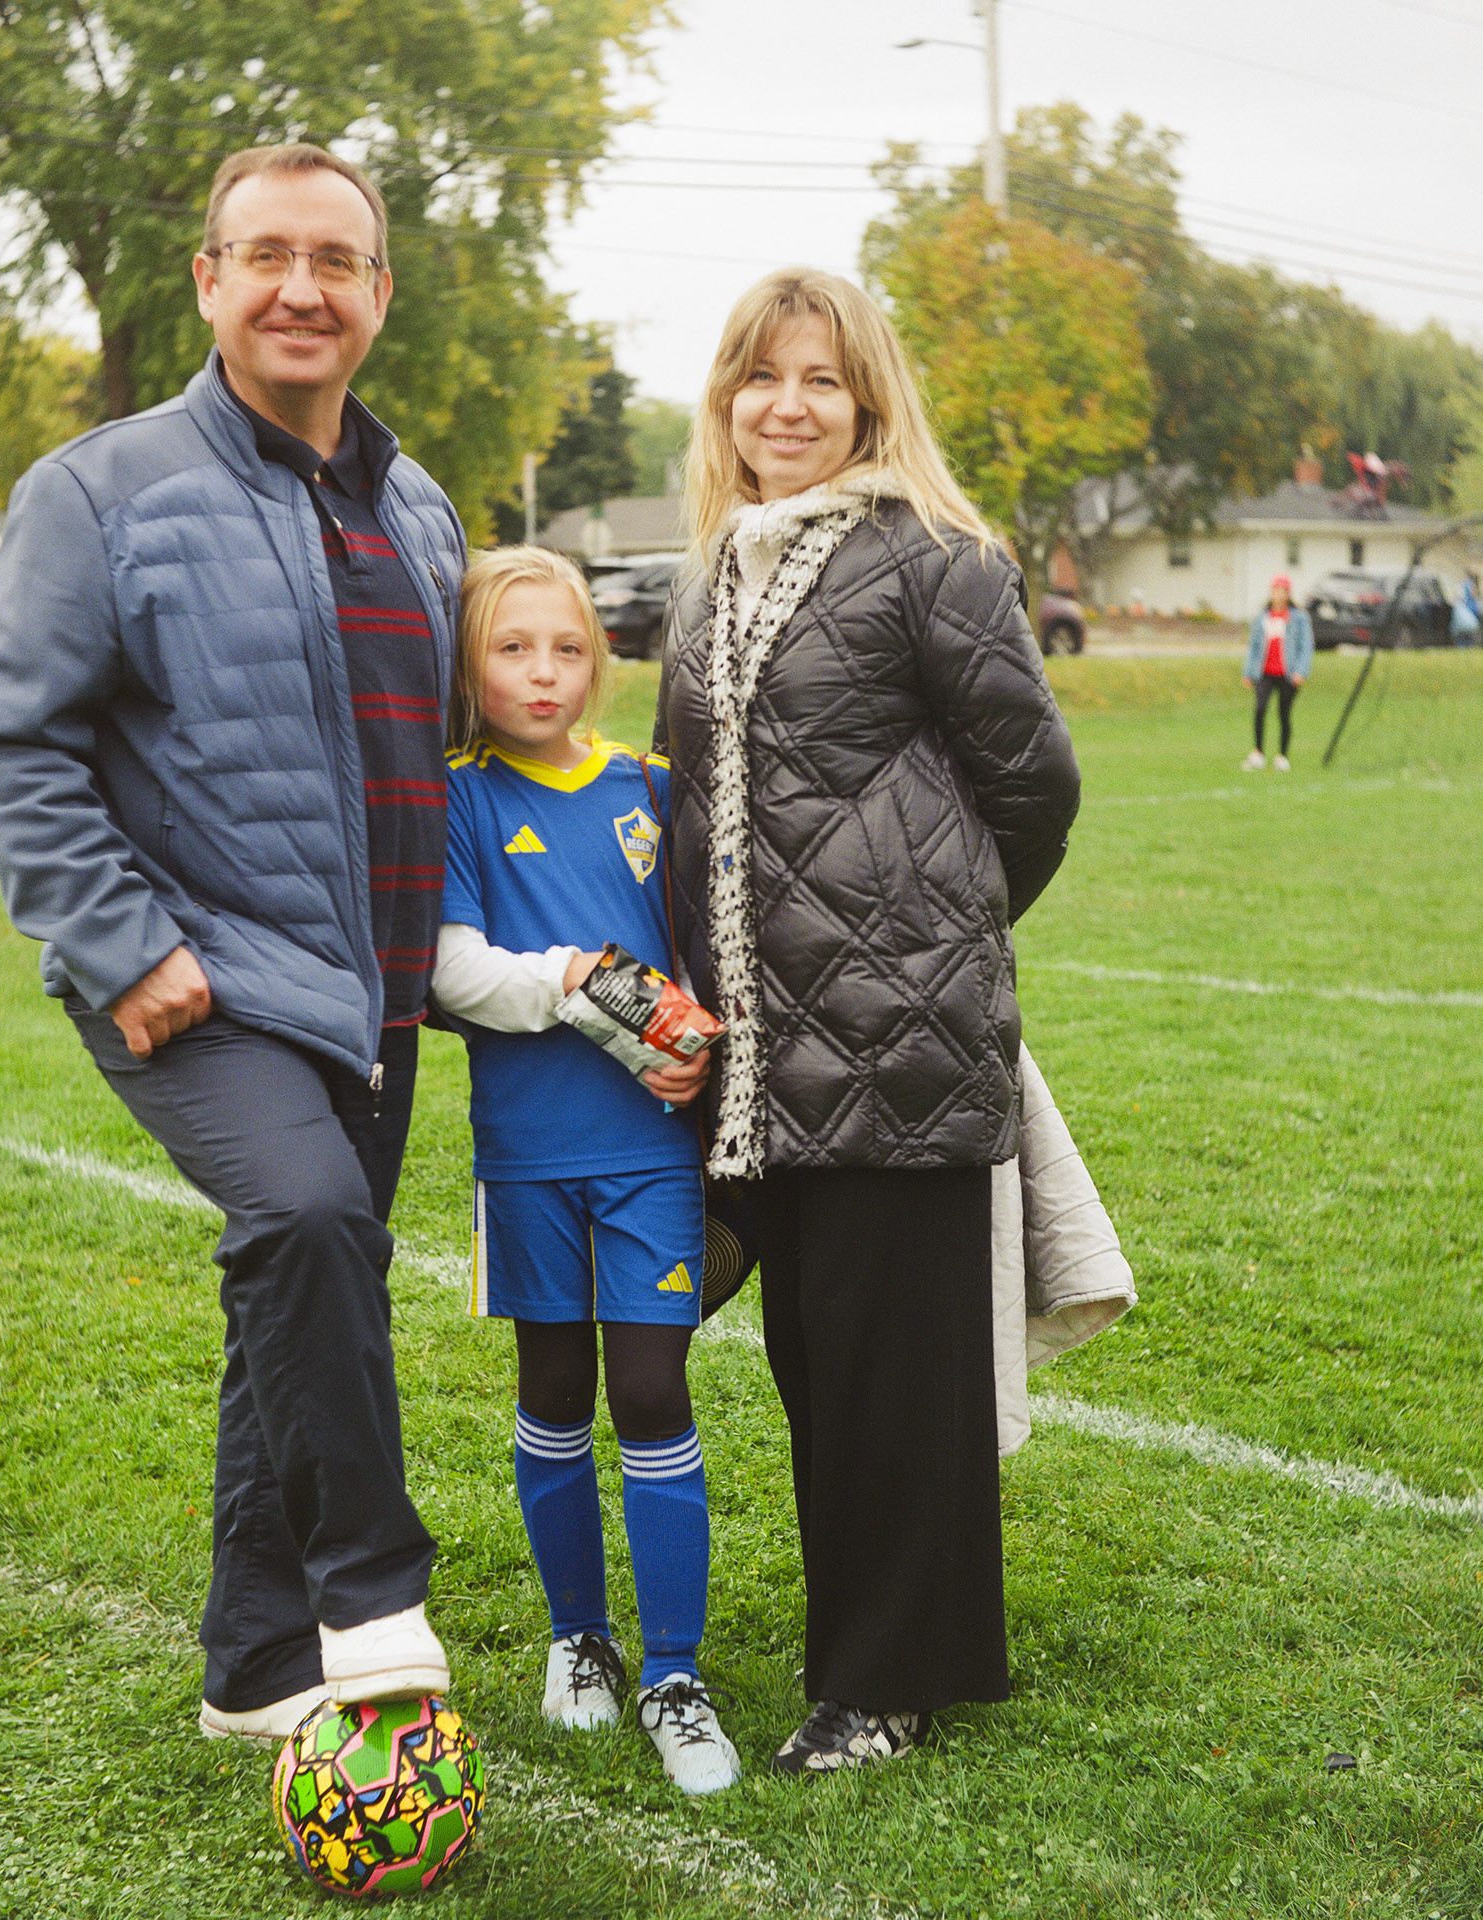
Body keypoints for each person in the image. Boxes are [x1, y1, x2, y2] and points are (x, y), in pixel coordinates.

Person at [0, 144, 467, 1746]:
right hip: (195, 980)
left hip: (370, 989)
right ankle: (369, 1596)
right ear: (209, 282)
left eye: (335, 259)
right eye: (265, 257)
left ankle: (254, 1665)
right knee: (310, 1225)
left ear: (379, 290)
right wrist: (119, 942)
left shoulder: (420, 505)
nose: (299, 287)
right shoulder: (97, 491)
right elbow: (8, 743)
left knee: (290, 1304)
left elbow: (427, 746)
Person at [654, 268, 1081, 1774]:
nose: (787, 405)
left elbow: (1033, 787)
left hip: (897, 1036)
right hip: (764, 1051)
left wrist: (926, 940)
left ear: (868, 399)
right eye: (759, 380)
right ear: (727, 403)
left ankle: (885, 1682)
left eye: (818, 380)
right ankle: (886, 1638)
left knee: (897, 1365)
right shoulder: (715, 572)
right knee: (820, 1357)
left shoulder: (933, 559)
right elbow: (690, 800)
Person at [430, 546, 736, 1795]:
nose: (542, 672)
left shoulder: (653, 786)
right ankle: (580, 1643)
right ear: (470, 664)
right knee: (555, 1388)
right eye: (511, 648)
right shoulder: (454, 797)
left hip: (648, 1154)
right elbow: (448, 969)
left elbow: (710, 953)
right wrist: (565, 981)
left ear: (598, 658)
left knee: (653, 1392)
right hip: (528, 1161)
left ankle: (674, 1672)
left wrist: (698, 1053)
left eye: (565, 648)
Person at [1242, 573, 1312, 771]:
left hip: (1287, 674)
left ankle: (1282, 755)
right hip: (1264, 672)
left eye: (1282, 591)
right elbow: (1254, 646)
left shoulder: (1298, 618)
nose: (1278, 595)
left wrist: (1301, 671)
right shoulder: (1263, 617)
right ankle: (1258, 753)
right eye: (1275, 590)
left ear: (1288, 594)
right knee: (1260, 709)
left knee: (1283, 714)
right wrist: (1248, 672)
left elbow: (1306, 646)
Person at [1451, 573, 1481, 648]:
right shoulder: (1468, 587)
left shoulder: (1463, 587)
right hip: (1469, 621)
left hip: (1462, 624)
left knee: (1462, 639)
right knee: (1469, 639)